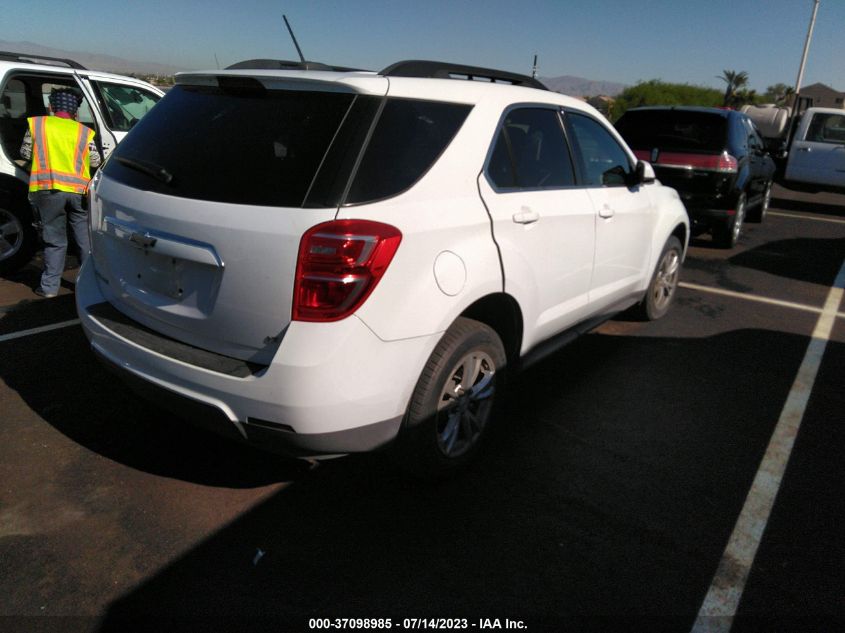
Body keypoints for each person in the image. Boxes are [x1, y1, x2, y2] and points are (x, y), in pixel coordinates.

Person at [20, 88, 101, 298]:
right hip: (78, 193)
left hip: (48, 190)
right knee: (84, 240)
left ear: (51, 107)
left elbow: (25, 153)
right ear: (75, 111)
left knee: (55, 240)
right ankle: (89, 286)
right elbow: (95, 161)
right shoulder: (84, 132)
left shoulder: (38, 125)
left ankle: (49, 289)